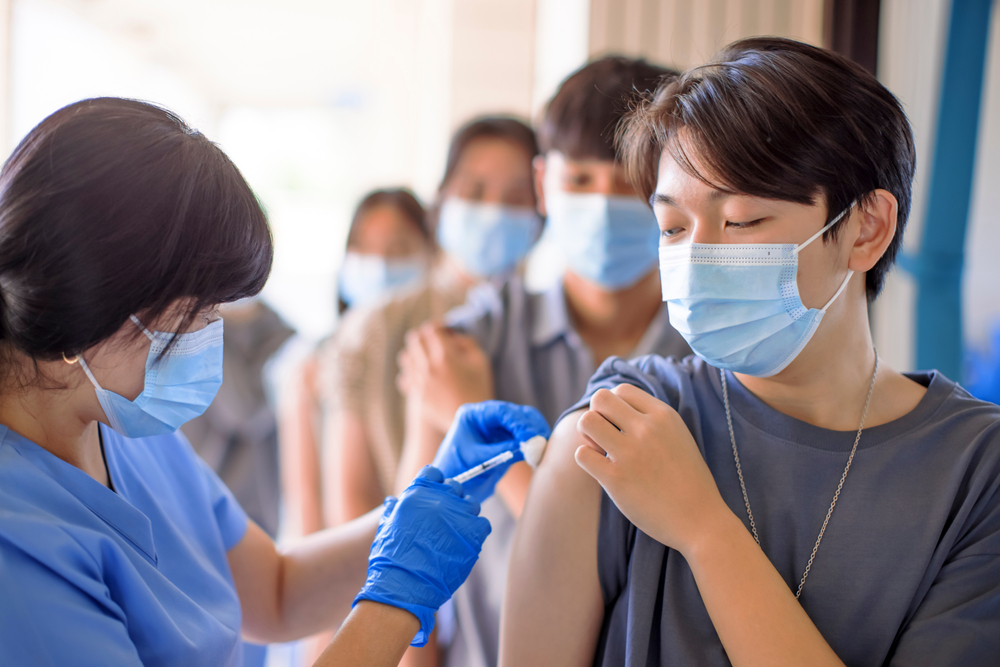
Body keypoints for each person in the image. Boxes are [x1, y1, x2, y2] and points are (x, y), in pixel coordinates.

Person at [501, 37, 1000, 666]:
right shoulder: (618, 429)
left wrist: (705, 530)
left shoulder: (976, 473)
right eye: (673, 227)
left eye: (741, 221)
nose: (697, 259)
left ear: (866, 228)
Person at [0, 98, 550, 667]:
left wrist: (435, 495)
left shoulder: (122, 422)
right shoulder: (17, 547)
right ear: (83, 307)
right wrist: (398, 597)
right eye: (198, 311)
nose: (212, 334)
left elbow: (278, 594)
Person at [396, 57, 692, 667]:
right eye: (581, 180)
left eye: (630, 183)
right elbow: (410, 563)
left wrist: (475, 421)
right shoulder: (464, 344)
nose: (605, 203)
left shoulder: (715, 352)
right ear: (542, 183)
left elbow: (633, 564)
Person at [299, 115, 540, 536]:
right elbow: (351, 504)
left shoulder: (550, 325)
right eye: (475, 191)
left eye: (516, 197)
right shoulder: (375, 326)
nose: (493, 210)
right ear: (441, 199)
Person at [281, 188, 432, 542]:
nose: (379, 263)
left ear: (431, 255)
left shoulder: (436, 359)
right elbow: (307, 504)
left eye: (398, 249)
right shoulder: (309, 366)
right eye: (363, 248)